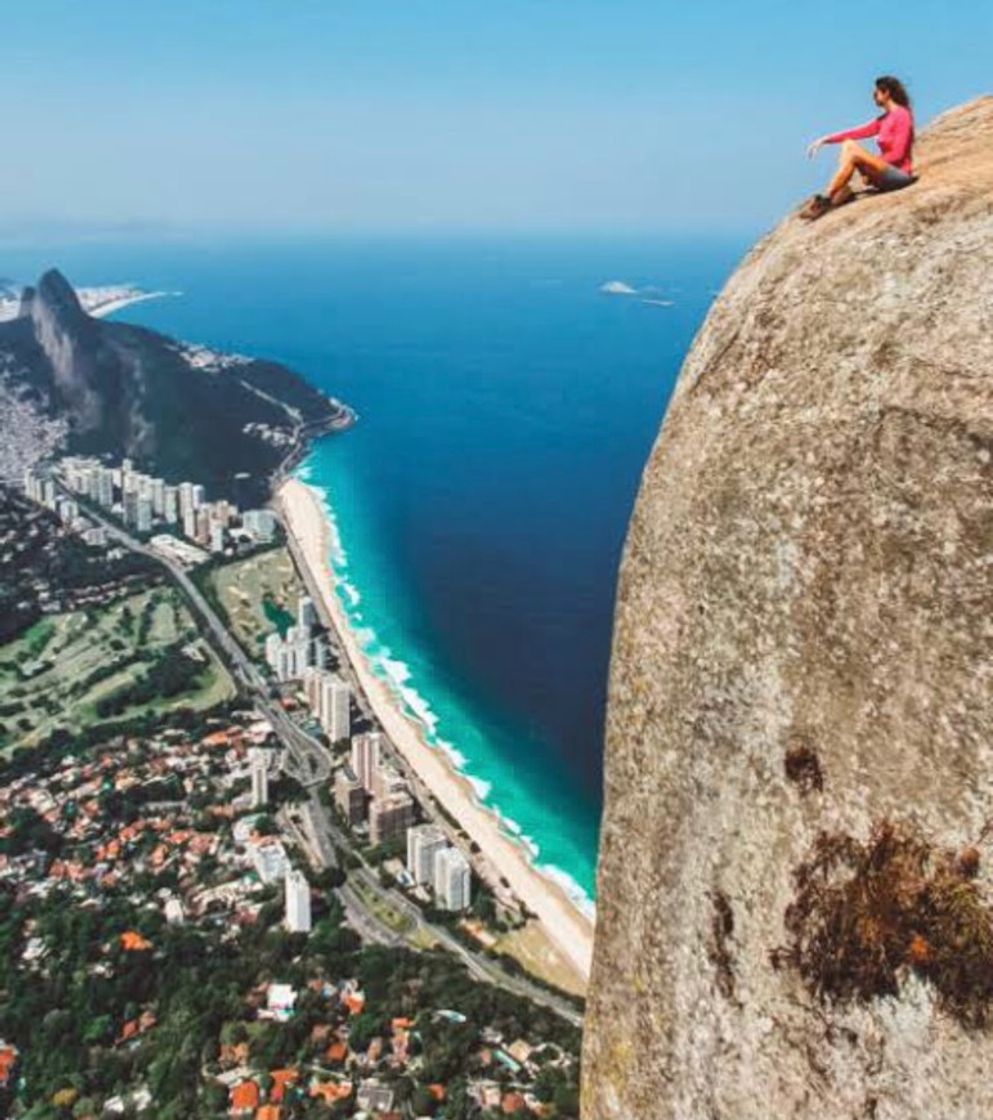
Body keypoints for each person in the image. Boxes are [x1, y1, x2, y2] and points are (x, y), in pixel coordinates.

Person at [799, 76, 916, 220]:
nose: (873, 98)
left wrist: (872, 162)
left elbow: (898, 154)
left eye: (876, 94)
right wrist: (825, 140)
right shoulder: (884, 119)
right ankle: (840, 191)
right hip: (883, 175)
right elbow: (858, 132)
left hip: (899, 176)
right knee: (848, 144)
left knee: (853, 151)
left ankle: (827, 199)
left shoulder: (902, 115)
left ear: (886, 93)